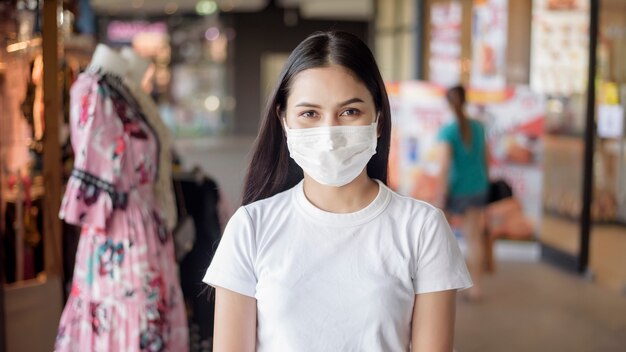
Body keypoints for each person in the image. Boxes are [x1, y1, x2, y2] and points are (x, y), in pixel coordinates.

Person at [203, 31, 472, 351]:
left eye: (349, 112)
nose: (329, 133)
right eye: (309, 114)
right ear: (284, 120)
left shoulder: (421, 228)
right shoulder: (251, 227)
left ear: (379, 120)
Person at [436, 85, 490, 302]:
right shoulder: (478, 127)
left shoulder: (448, 131)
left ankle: (442, 286)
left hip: (455, 189)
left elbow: (444, 166)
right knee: (474, 238)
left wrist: (441, 194)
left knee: (440, 239)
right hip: (478, 187)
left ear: (448, 103)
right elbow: (486, 160)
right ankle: (476, 288)